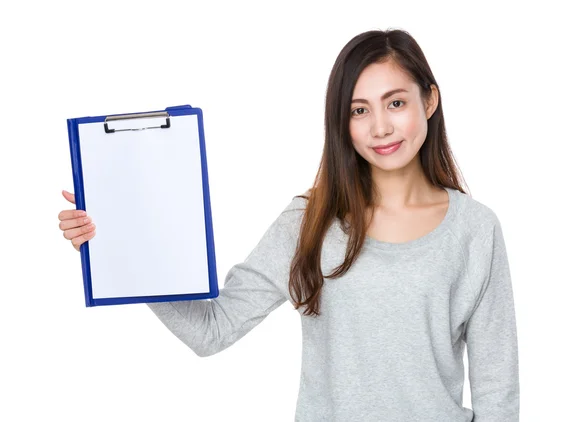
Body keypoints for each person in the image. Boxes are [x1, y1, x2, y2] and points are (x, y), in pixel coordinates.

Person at [57, 28, 519, 421]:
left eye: (395, 102)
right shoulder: (310, 221)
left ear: (429, 100)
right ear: (342, 122)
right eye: (359, 110)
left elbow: (497, 393)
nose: (380, 127)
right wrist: (122, 246)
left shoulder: (475, 230)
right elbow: (212, 329)